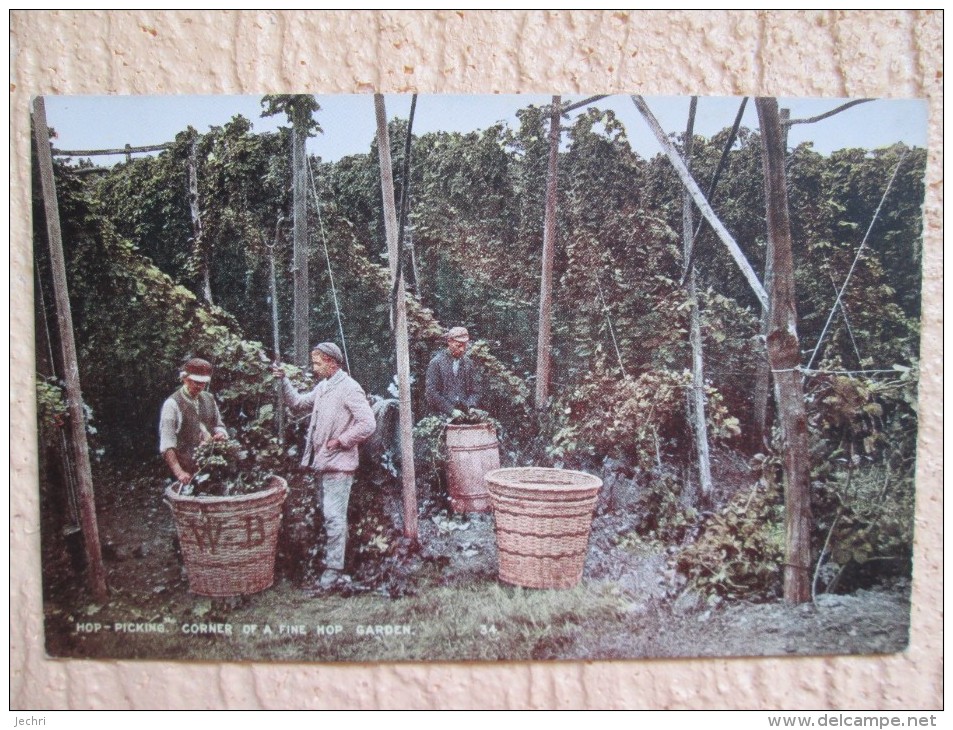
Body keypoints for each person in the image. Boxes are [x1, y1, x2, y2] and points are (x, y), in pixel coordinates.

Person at [273, 342, 376, 590]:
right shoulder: (323, 387)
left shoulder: (350, 388)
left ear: (331, 361)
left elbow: (368, 423)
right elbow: (297, 403)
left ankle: (334, 571)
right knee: (332, 517)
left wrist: (341, 441)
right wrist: (284, 380)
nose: (314, 366)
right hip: (322, 464)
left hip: (339, 465)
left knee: (333, 517)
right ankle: (340, 564)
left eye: (317, 362)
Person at [159, 357, 229, 485]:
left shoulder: (209, 398)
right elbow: (167, 444)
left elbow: (218, 424)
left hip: (209, 465)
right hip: (185, 470)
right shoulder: (172, 404)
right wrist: (179, 473)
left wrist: (221, 434)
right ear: (185, 378)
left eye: (203, 383)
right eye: (196, 382)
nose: (200, 386)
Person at [425, 326, 483, 417]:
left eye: (465, 345)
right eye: (458, 345)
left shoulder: (468, 363)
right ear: (449, 342)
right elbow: (431, 393)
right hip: (441, 415)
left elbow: (476, 390)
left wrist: (471, 406)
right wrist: (450, 410)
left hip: (465, 414)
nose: (462, 349)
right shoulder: (436, 363)